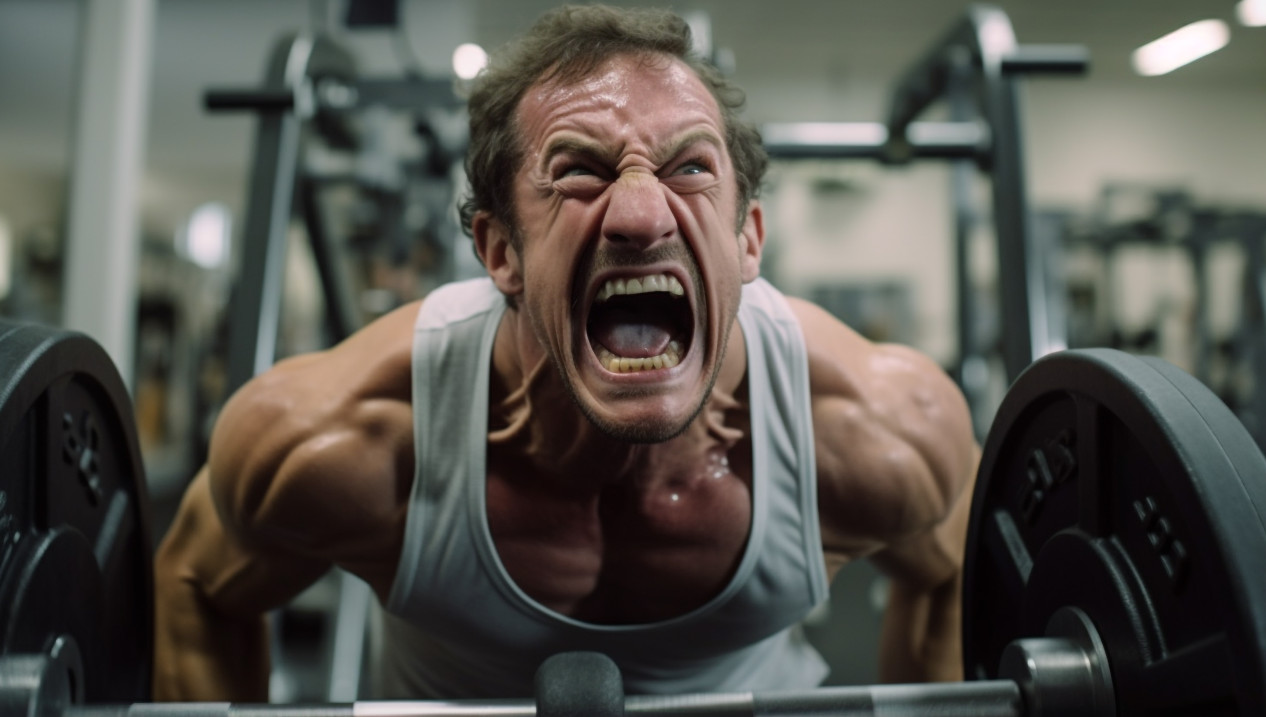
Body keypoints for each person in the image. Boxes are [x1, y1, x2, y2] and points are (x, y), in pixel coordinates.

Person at [153, 4, 977, 701]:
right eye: (578, 171)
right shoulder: (346, 436)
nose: (640, 215)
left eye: (689, 167)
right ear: (499, 250)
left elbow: (950, 575)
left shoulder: (873, 426)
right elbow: (195, 588)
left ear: (748, 239)